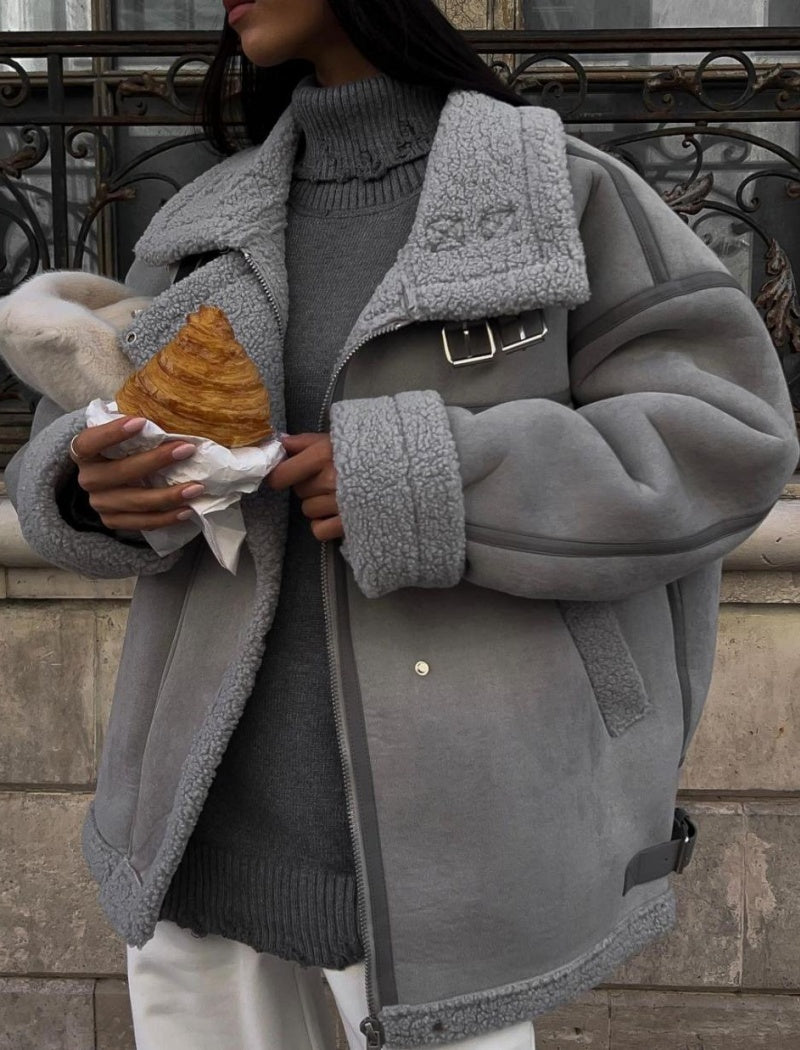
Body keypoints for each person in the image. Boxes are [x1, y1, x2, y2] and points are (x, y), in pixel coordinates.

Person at [2, 0, 797, 1048]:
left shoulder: (556, 188)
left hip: (456, 862)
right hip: (197, 837)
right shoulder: (206, 217)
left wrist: (430, 481)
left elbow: (724, 439)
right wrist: (83, 486)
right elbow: (91, 428)